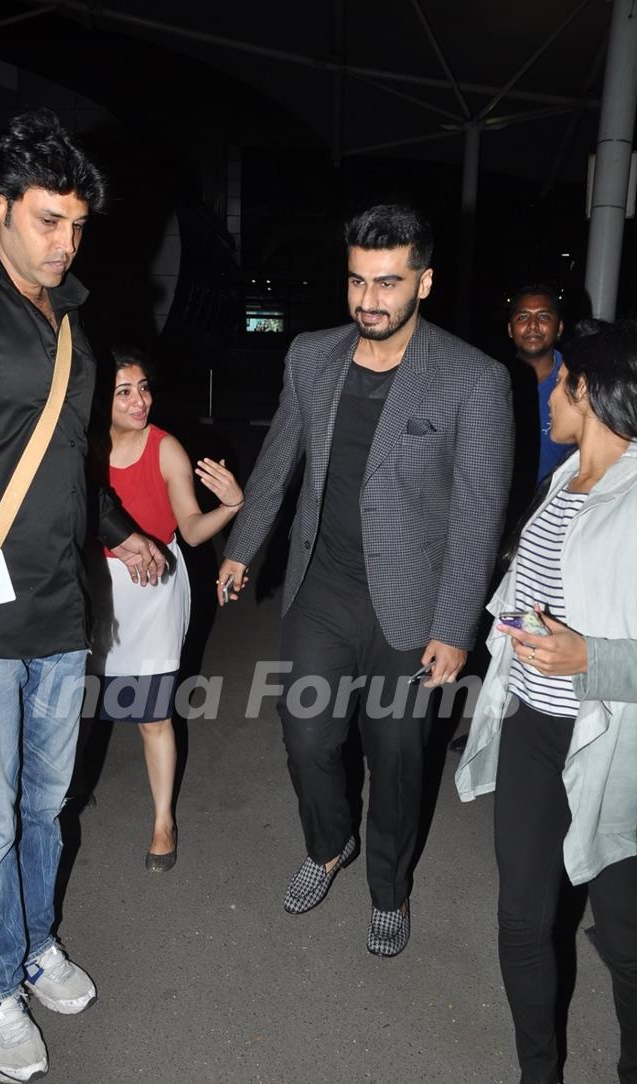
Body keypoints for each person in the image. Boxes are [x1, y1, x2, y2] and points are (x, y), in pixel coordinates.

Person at [0, 108, 167, 1083]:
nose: (65, 242)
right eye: (48, 220)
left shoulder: (73, 321)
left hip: (67, 613)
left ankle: (31, 945)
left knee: (47, 808)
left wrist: (121, 532)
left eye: (76, 225)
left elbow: (71, 467)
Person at [217, 203, 514, 956]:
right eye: (357, 281)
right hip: (324, 588)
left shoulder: (472, 379)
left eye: (387, 283)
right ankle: (328, 844)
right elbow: (279, 464)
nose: (368, 301)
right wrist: (242, 548)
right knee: (306, 736)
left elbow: (480, 516)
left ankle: (389, 887)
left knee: (398, 755)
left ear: (425, 281)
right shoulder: (312, 356)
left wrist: (455, 630)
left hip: (412, 607)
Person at [456, 320, 637, 1084]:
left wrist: (588, 656)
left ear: (586, 390)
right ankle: (540, 1075)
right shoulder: (564, 480)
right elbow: (534, 590)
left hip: (610, 750)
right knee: (523, 920)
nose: (550, 392)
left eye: (560, 380)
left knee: (626, 937)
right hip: (532, 728)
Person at [88, 348, 244, 871]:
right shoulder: (82, 449)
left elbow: (193, 529)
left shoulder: (166, 448)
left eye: (144, 387)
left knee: (152, 715)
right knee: (81, 703)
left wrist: (230, 506)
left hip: (156, 589)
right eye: (124, 392)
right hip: (98, 586)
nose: (140, 400)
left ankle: (162, 820)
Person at [507, 284, 576, 489]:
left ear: (560, 328)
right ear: (510, 329)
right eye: (523, 317)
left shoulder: (579, 383)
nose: (533, 325)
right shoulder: (492, 381)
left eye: (544, 317)